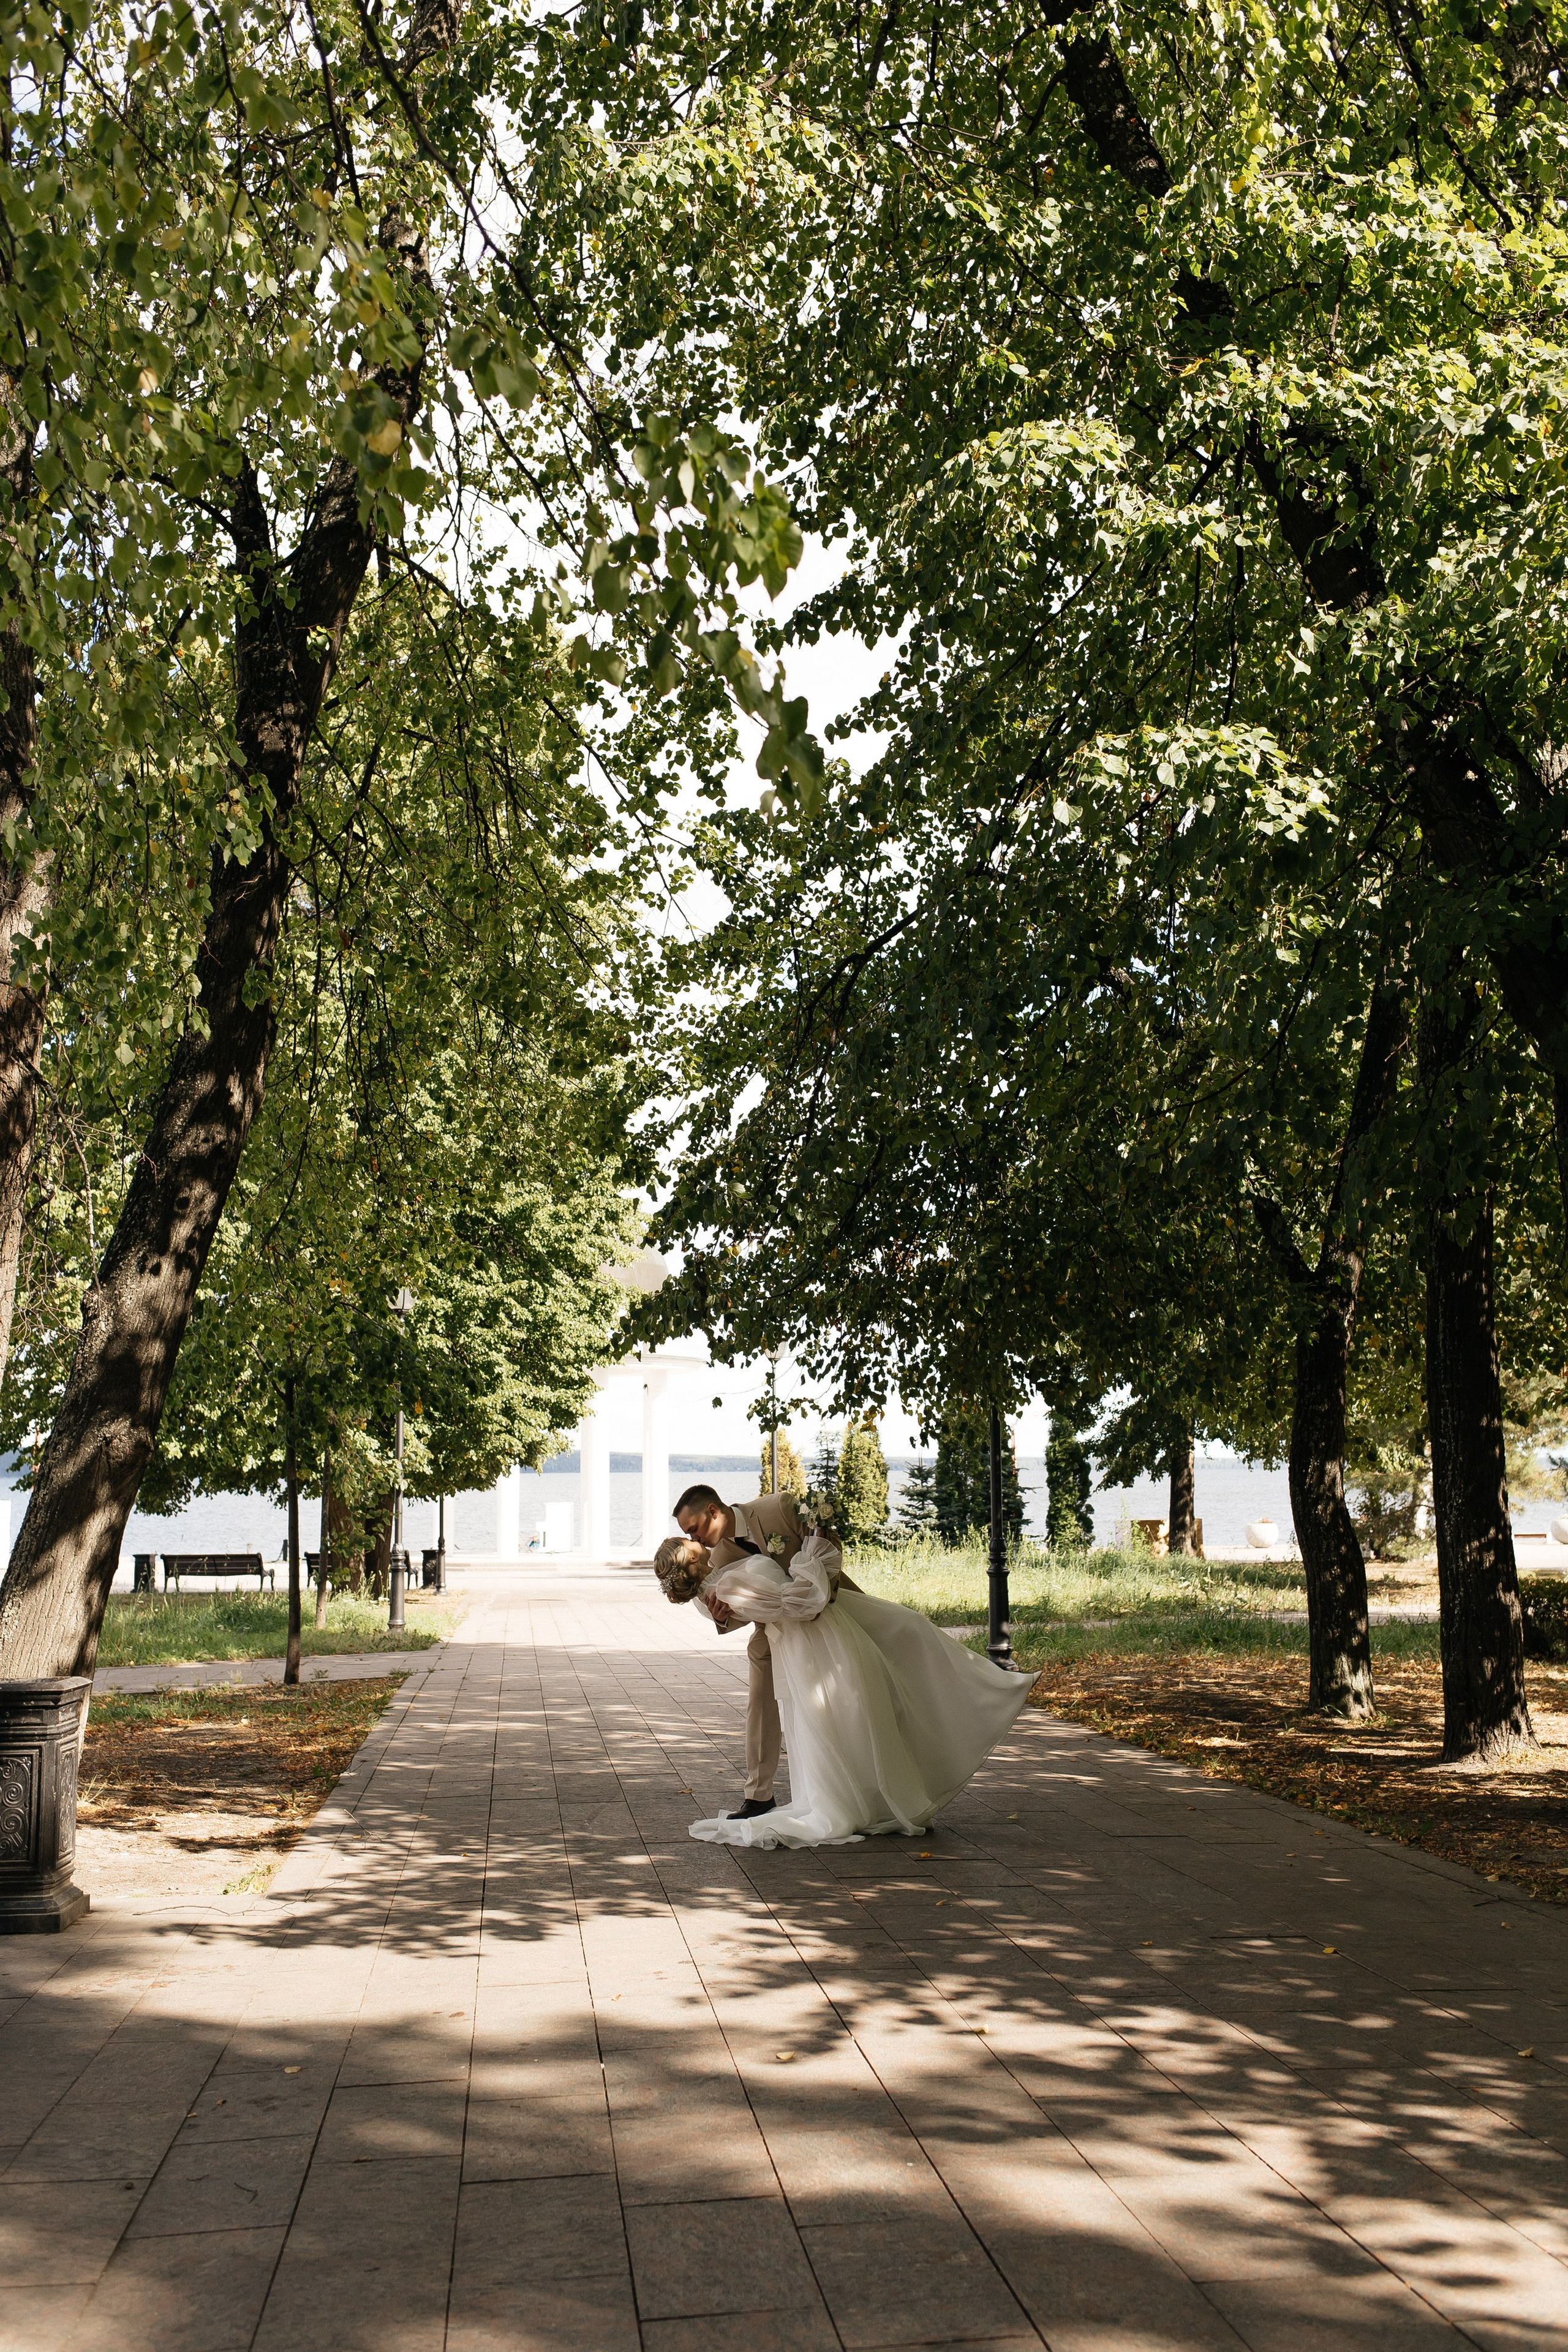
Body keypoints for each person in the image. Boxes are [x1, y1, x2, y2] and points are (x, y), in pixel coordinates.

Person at [654, 1524, 1033, 1850]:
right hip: (821, 1644)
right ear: (689, 1559)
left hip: (804, 1650)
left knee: (849, 1713)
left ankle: (868, 1796)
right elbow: (804, 1603)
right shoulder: (729, 1586)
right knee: (861, 1711)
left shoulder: (715, 1592)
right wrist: (814, 1549)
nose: (692, 1538)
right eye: (687, 1541)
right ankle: (985, 1698)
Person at [669, 1482, 847, 1820]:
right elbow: (747, 1605)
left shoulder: (777, 1507)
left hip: (831, 1609)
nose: (695, 1539)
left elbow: (828, 1542)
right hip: (773, 1633)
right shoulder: (717, 1558)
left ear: (712, 1511)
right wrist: (725, 1615)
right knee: (760, 1700)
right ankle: (759, 1796)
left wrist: (818, 1600)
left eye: (694, 1529)